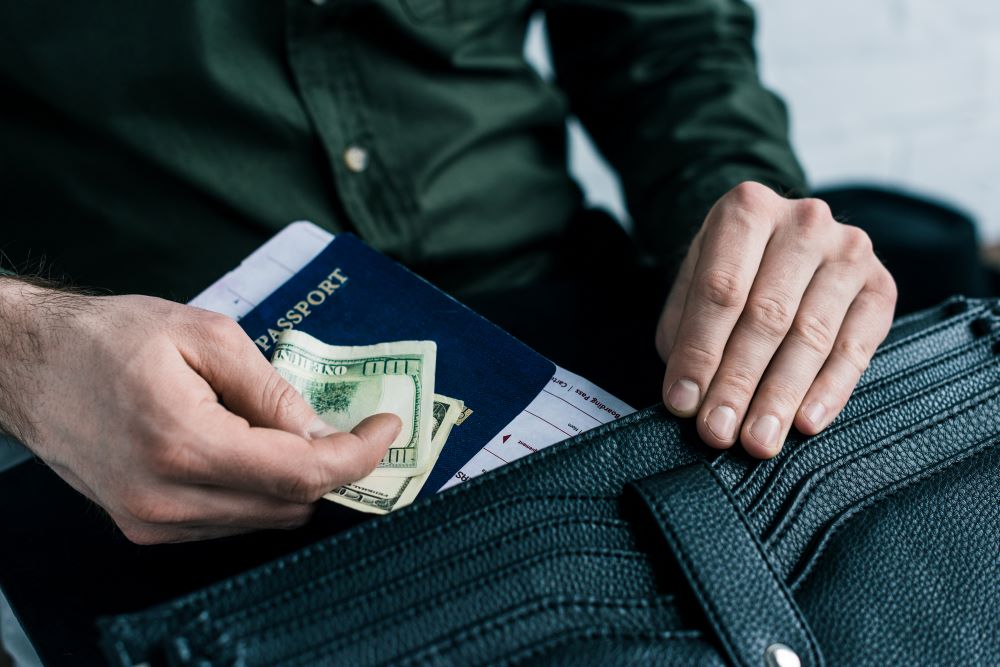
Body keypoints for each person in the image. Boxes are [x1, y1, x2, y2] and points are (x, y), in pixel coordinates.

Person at [0, 0, 895, 550]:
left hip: (588, 322)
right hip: (137, 416)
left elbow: (672, 50)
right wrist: (23, 352)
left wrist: (745, 227)